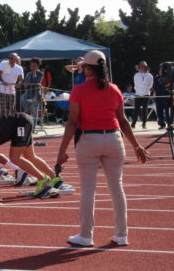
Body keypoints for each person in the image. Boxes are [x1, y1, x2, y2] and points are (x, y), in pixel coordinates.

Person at [57, 50, 148, 247]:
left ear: (88, 68)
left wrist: (62, 150)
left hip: (89, 140)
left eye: (83, 66)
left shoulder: (79, 90)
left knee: (88, 190)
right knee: (117, 188)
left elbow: (72, 122)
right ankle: (122, 234)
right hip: (114, 139)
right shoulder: (115, 89)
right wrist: (137, 146)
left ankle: (86, 235)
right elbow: (123, 121)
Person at [20, 58, 44, 131]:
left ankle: (33, 128)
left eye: (34, 65)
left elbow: (37, 82)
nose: (32, 67)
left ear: (37, 66)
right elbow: (26, 84)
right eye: (31, 65)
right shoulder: (28, 73)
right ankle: (27, 110)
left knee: (34, 111)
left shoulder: (41, 73)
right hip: (28, 92)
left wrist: (34, 73)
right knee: (22, 98)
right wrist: (26, 84)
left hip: (36, 93)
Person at [131, 61, 153, 129]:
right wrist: (139, 90)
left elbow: (150, 85)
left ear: (146, 67)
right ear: (139, 67)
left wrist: (146, 89)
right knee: (136, 109)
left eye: (144, 66)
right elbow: (135, 84)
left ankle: (144, 123)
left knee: (145, 110)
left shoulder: (149, 75)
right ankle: (133, 124)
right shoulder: (136, 75)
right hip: (138, 94)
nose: (142, 67)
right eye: (141, 66)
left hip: (146, 94)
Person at [154, 64, 172, 129]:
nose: (160, 70)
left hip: (166, 96)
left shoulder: (168, 78)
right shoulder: (156, 78)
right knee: (159, 111)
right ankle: (161, 124)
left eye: (162, 69)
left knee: (168, 111)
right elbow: (156, 87)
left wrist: (163, 87)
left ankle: (169, 123)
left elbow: (170, 87)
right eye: (160, 69)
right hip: (158, 97)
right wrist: (164, 86)